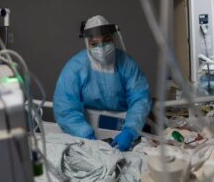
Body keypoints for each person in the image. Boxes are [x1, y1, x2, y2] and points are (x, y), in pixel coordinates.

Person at [53, 15, 152, 151]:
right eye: (94, 44)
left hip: (124, 128)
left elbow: (140, 99)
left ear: (114, 38)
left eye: (106, 41)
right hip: (87, 131)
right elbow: (65, 108)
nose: (102, 48)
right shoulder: (75, 68)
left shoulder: (127, 64)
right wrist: (86, 136)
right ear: (87, 43)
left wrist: (130, 130)